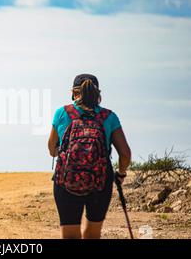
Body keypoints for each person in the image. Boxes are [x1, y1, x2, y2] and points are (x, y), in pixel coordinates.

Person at [48, 74, 131, 239]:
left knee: (70, 234)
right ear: (97, 93)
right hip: (100, 182)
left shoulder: (62, 113)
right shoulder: (109, 116)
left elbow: (51, 149)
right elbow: (125, 154)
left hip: (66, 181)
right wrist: (120, 174)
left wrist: (66, 153)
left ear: (73, 93)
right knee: (93, 233)